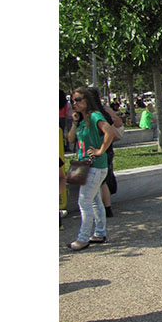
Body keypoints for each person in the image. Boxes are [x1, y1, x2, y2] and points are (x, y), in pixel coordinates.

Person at [66, 87, 116, 251]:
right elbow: (71, 138)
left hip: (94, 165)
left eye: (78, 99)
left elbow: (110, 131)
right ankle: (99, 233)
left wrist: (101, 150)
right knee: (94, 201)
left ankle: (83, 238)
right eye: (73, 100)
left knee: (84, 202)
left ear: (87, 100)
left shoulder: (95, 115)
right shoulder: (82, 119)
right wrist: (75, 121)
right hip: (84, 165)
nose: (75, 103)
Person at [90, 88, 124, 219]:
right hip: (106, 148)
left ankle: (102, 209)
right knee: (103, 180)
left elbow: (115, 125)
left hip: (100, 148)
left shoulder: (95, 113)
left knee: (99, 180)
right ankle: (107, 208)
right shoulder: (103, 110)